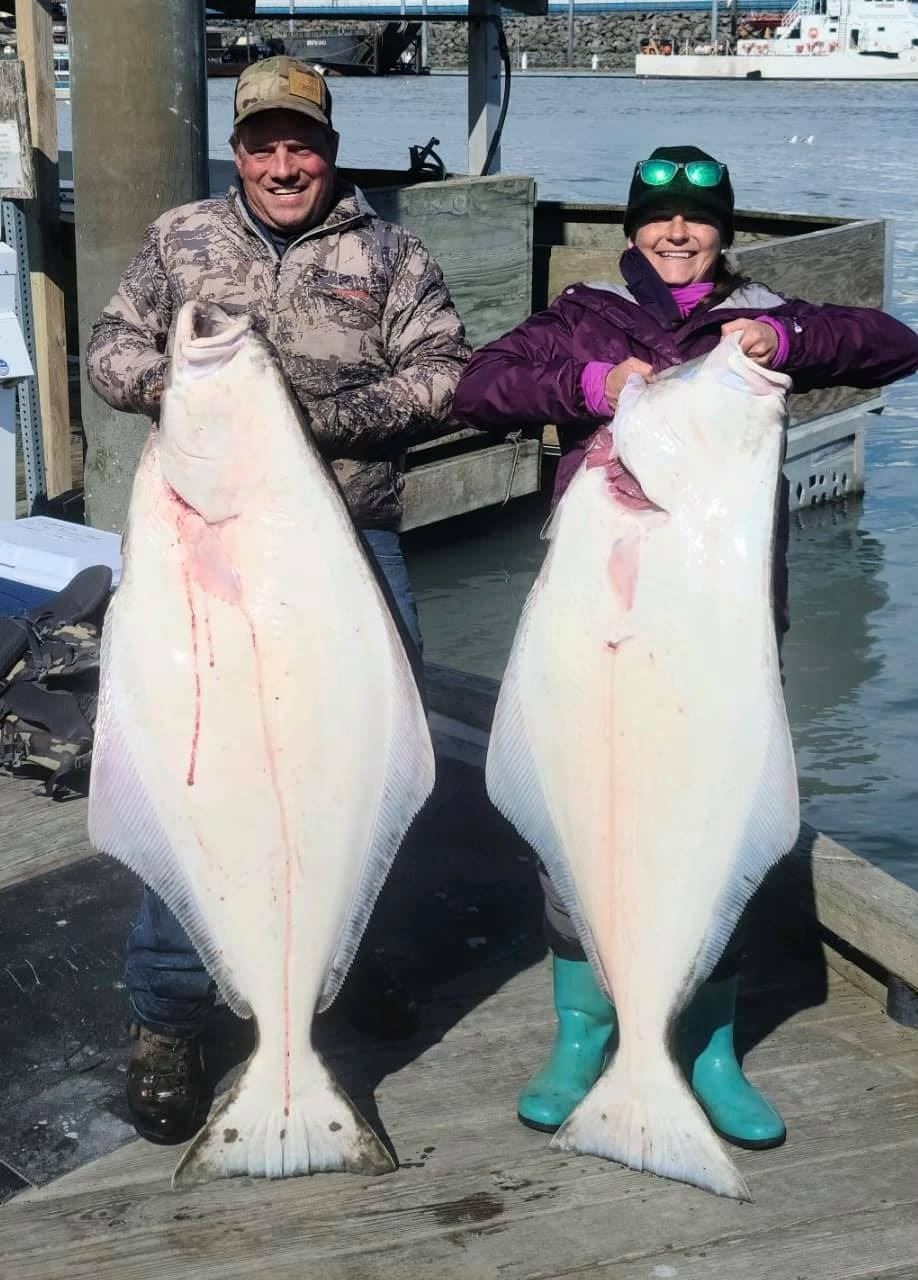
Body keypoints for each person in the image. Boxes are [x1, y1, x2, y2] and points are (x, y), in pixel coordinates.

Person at [452, 145, 918, 1148]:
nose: (677, 233)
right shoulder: (585, 314)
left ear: (722, 231)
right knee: (581, 811)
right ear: (633, 228)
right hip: (597, 625)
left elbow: (893, 344)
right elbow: (478, 388)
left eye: (697, 219)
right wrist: (590, 382)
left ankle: (708, 1045)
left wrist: (785, 335)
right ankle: (585, 1031)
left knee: (712, 817)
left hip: (719, 624)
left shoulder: (758, 315)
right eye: (659, 216)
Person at [86, 55, 469, 1144]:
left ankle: (339, 970)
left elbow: (446, 374)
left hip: (348, 553)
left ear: (329, 150)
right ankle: (169, 1014)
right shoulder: (181, 240)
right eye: (265, 146)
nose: (284, 164)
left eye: (303, 145)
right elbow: (111, 349)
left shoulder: (391, 254)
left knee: (360, 779)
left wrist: (307, 420)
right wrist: (182, 385)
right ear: (239, 151)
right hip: (201, 562)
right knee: (195, 785)